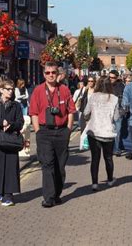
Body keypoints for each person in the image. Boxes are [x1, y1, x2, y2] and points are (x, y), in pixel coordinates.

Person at [29, 61, 76, 207]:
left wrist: (68, 130)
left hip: (61, 132)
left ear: (58, 74)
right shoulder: (38, 90)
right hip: (44, 132)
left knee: (60, 166)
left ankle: (56, 194)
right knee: (47, 164)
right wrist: (37, 131)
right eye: (47, 73)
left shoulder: (64, 90)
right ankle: (48, 197)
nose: (50, 75)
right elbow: (34, 113)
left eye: (53, 72)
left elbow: (71, 111)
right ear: (44, 75)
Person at [0, 79, 24, 206]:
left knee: (10, 167)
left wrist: (11, 125)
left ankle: (9, 195)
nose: (11, 91)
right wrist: (1, 122)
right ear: (1, 90)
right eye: (8, 89)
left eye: (12, 89)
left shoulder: (16, 105)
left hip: (10, 140)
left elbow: (20, 122)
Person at [84, 77, 119, 191]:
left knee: (95, 158)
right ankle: (110, 180)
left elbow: (85, 113)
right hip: (108, 132)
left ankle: (95, 183)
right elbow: (116, 117)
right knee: (108, 157)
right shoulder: (114, 99)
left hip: (94, 132)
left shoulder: (93, 97)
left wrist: (90, 117)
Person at [109, 70, 125, 156]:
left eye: (113, 78)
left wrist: (122, 110)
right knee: (109, 130)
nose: (111, 79)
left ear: (117, 77)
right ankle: (110, 148)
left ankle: (116, 148)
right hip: (107, 111)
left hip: (118, 111)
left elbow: (123, 99)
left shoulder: (121, 86)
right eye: (110, 77)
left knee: (117, 131)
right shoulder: (106, 85)